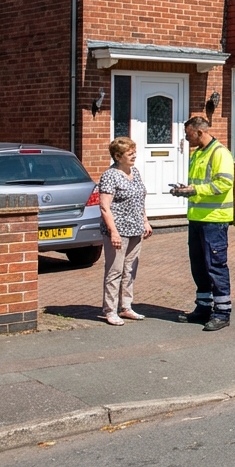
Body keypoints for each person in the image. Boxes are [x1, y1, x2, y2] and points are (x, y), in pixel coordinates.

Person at [169, 117, 235, 332]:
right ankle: (203, 308)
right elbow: (199, 185)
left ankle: (222, 312)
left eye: (188, 134)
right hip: (197, 217)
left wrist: (195, 190)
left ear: (199, 132)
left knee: (215, 265)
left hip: (215, 219)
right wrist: (186, 189)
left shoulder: (220, 153)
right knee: (198, 266)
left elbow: (224, 183)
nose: (186, 138)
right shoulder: (198, 153)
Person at [98, 137, 152, 326]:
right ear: (117, 156)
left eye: (134, 152)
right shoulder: (110, 175)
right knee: (115, 271)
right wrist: (113, 232)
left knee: (130, 269)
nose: (134, 156)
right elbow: (105, 207)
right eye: (130, 154)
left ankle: (126, 307)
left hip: (136, 229)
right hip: (118, 230)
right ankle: (110, 310)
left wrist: (145, 221)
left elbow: (139, 198)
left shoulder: (134, 172)